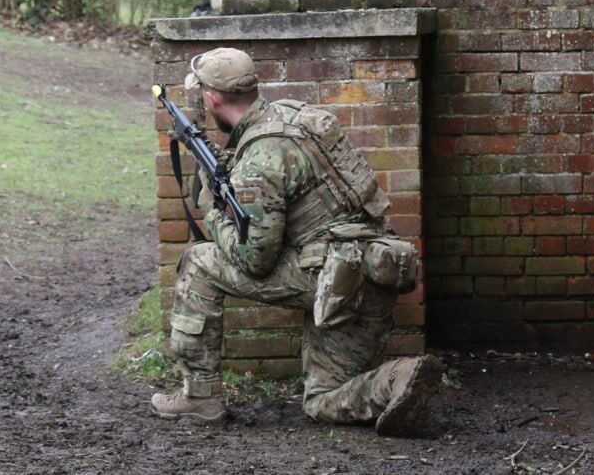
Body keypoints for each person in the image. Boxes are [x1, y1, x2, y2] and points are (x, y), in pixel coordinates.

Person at [151, 47, 442, 434]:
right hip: (373, 271)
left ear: (211, 97)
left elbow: (256, 260)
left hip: (332, 278)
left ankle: (200, 396)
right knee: (323, 399)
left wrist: (211, 207)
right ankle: (398, 378)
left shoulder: (261, 159)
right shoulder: (298, 116)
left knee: (200, 260)